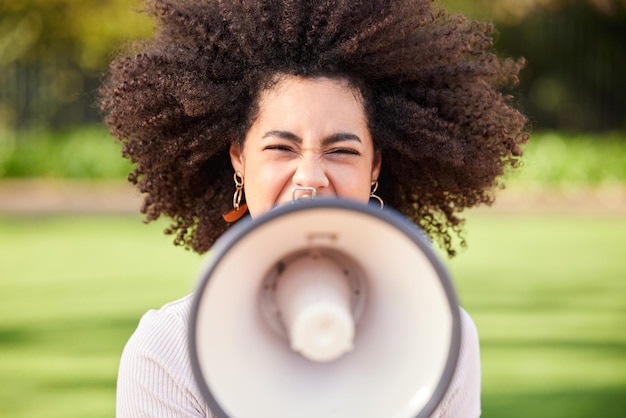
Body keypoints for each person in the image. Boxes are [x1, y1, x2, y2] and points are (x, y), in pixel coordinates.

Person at [99, 0, 529, 417]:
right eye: (281, 147)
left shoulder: (443, 338)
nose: (310, 176)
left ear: (374, 166)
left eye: (341, 150)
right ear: (239, 161)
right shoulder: (165, 354)